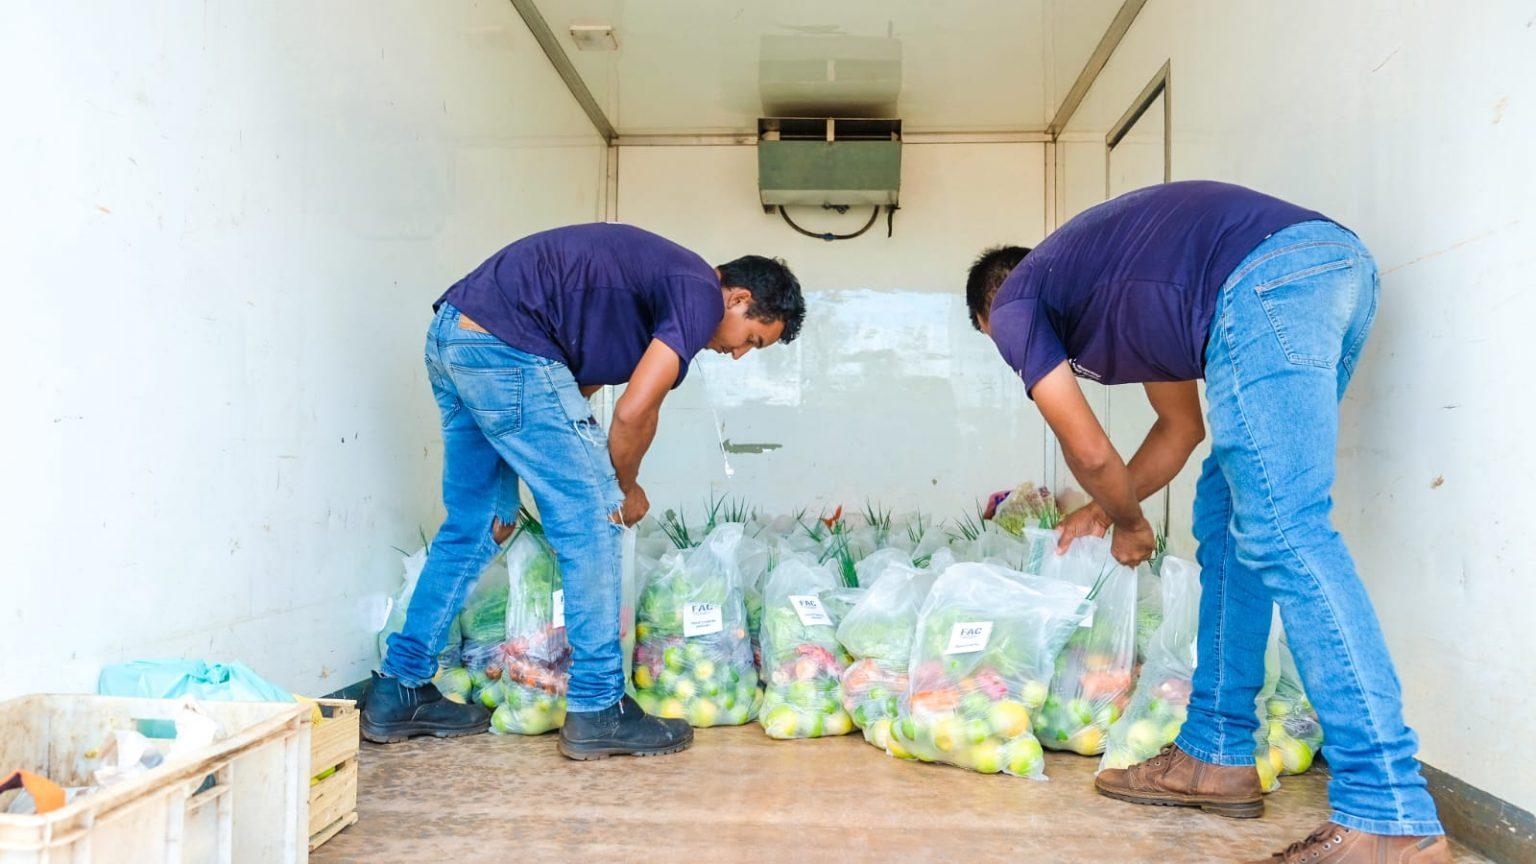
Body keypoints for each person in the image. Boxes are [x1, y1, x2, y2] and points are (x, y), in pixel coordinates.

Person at [966, 181, 1447, 863]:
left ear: (992, 314)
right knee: (1229, 515)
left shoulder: (1016, 303)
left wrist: (1128, 523)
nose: (1021, 358)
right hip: (1323, 273)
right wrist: (1108, 509)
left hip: (1272, 281)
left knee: (1286, 531)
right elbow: (1179, 426)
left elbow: (1089, 447)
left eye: (1005, 348)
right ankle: (1216, 755)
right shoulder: (1118, 288)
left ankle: (1387, 807)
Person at [362, 223, 805, 761]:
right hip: (506, 345)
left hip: (457, 336)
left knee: (479, 523)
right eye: (751, 339)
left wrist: (604, 476)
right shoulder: (695, 289)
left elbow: (572, 395)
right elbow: (634, 410)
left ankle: (398, 687)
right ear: (738, 298)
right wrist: (621, 489)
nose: (739, 355)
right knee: (593, 521)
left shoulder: (651, 303)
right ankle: (598, 706)